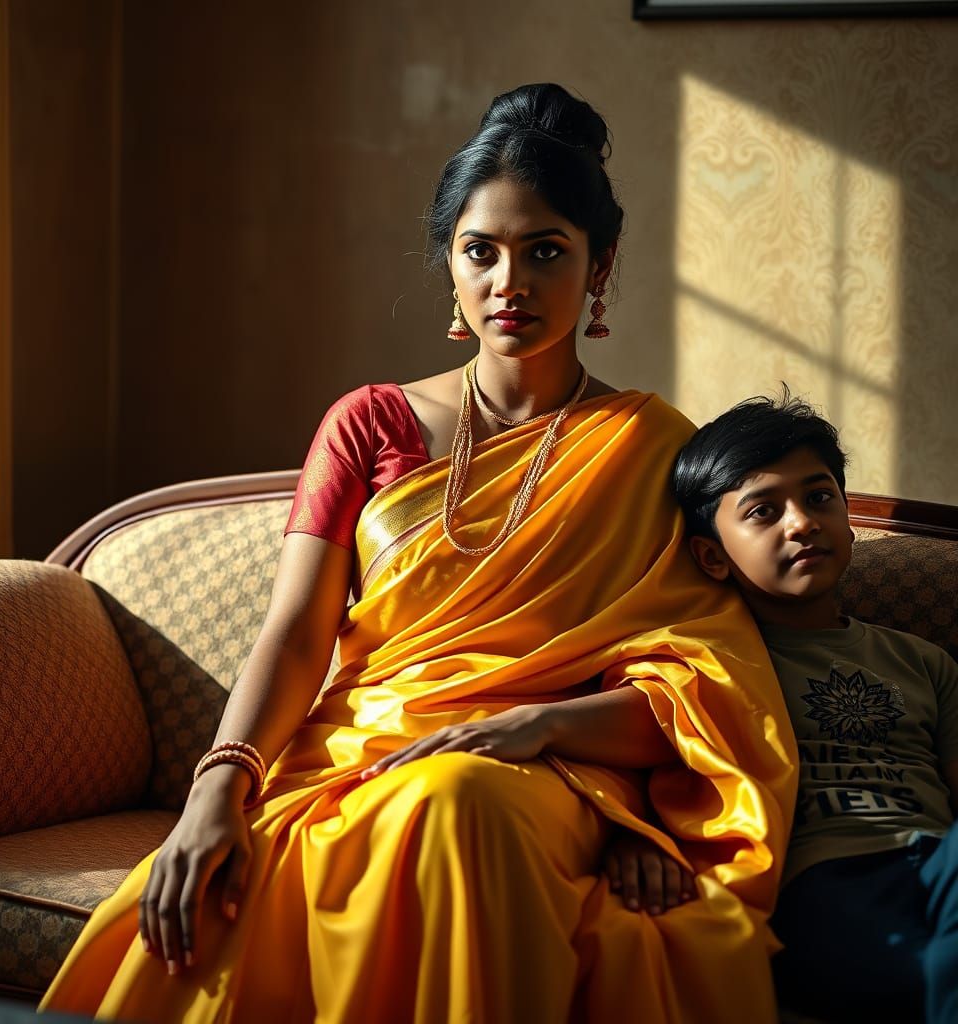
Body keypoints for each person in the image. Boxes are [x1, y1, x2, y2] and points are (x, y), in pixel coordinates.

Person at [40, 83, 796, 1023]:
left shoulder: (655, 448)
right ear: (449, 263)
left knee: (460, 800)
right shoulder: (369, 424)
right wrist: (219, 785)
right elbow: (294, 632)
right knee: (395, 811)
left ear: (600, 268)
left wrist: (618, 802)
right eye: (480, 252)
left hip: (550, 773)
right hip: (363, 752)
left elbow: (705, 680)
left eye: (545, 252)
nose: (507, 284)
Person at [650, 391, 958, 1023]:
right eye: (764, 511)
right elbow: (643, 755)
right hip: (819, 881)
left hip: (941, 862)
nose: (801, 522)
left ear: (847, 516)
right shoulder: (705, 661)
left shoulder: (924, 662)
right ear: (712, 555)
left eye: (819, 497)